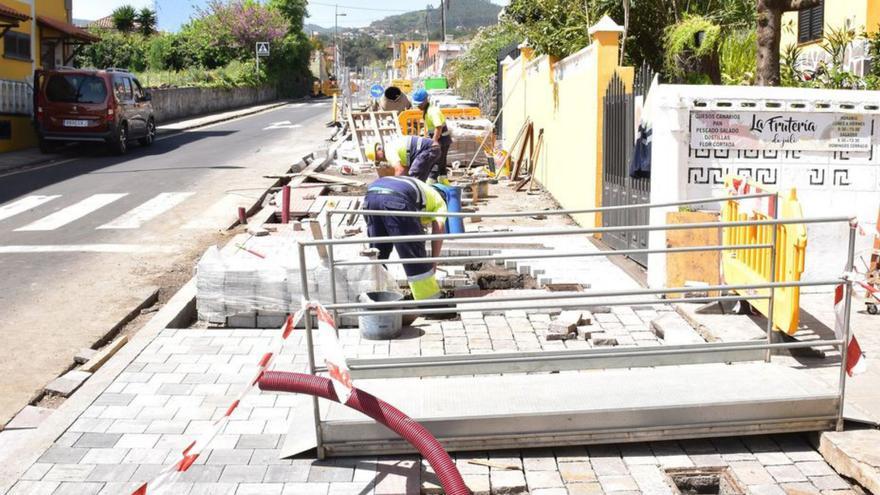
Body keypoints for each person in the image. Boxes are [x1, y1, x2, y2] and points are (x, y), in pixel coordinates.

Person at [364, 176, 447, 301]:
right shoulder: (439, 201)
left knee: (377, 252)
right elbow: (438, 230)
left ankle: (376, 296)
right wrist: (433, 262)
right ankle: (430, 302)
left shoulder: (419, 188)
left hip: (371, 197)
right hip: (396, 200)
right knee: (414, 256)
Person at [411, 88, 451, 185]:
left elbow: (438, 127)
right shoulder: (428, 110)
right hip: (440, 139)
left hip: (441, 139)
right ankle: (444, 185)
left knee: (435, 163)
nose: (418, 106)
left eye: (419, 104)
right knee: (441, 164)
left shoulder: (432, 111)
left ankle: (430, 185)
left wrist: (434, 142)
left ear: (426, 100)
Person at [364, 135, 440, 182]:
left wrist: (396, 186)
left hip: (428, 150)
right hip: (433, 148)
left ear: (378, 150)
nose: (380, 160)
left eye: (377, 158)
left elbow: (399, 170)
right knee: (421, 181)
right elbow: (405, 170)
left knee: (414, 180)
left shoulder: (388, 150)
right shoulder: (392, 145)